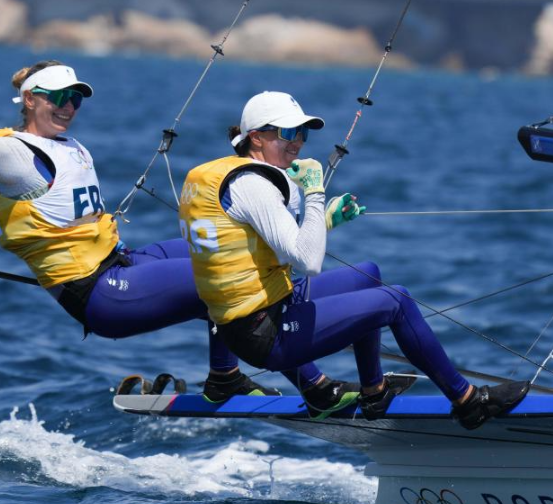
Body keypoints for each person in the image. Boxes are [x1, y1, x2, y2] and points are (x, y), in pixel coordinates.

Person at [0, 41, 369, 408]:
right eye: (58, 97)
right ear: (30, 99)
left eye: (76, 98)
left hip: (117, 263)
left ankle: (224, 376)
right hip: (95, 293)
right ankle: (312, 387)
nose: (69, 106)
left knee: (215, 250)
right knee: (217, 272)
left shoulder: (65, 145)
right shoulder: (14, 154)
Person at [179, 91, 530, 429]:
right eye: (287, 132)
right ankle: (469, 402)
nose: (298, 141)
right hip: (263, 331)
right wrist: (315, 192)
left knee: (369, 274)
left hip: (265, 310)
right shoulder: (254, 186)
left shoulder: (234, 175)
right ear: (256, 137)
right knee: (396, 301)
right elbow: (308, 262)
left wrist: (325, 220)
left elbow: (262, 245)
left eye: (301, 133)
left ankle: (374, 393)